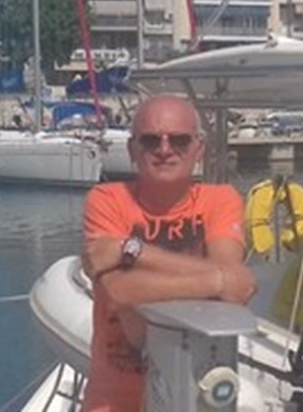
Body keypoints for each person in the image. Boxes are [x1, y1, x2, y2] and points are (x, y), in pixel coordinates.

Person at [81, 94, 257, 412]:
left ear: (199, 149)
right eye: (151, 140)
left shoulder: (221, 200)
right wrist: (215, 281)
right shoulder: (107, 199)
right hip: (113, 403)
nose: (164, 150)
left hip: (195, 397)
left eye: (179, 140)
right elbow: (120, 291)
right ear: (132, 149)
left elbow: (234, 287)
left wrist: (132, 251)